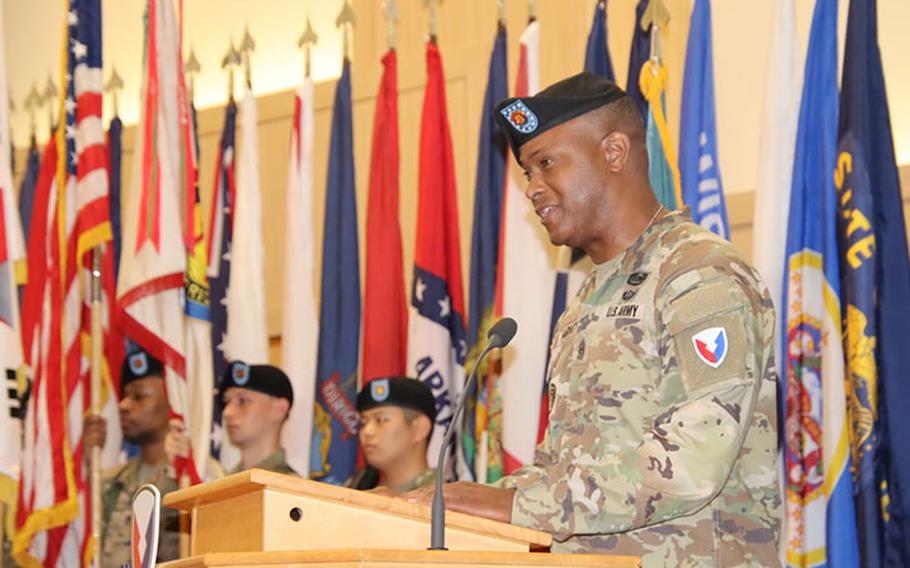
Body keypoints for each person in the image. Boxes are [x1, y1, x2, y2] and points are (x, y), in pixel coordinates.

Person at [404, 72, 781, 567]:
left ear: (614, 152)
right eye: (527, 174)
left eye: (546, 164)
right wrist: (451, 502)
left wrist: (518, 506)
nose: (533, 190)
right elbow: (564, 467)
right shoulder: (588, 299)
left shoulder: (698, 275)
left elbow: (694, 461)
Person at [83, 350, 180, 567]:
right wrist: (88, 464)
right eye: (124, 396)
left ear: (172, 401)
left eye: (139, 396)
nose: (123, 406)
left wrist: (177, 473)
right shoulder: (112, 481)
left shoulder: (193, 476)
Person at [352, 377, 437, 495]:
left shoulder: (444, 502)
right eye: (363, 422)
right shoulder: (359, 491)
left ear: (419, 429)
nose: (367, 431)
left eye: (381, 420)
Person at [215, 360, 298, 475]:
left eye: (242, 401)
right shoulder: (221, 486)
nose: (227, 412)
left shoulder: (292, 490)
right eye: (226, 402)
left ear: (279, 410)